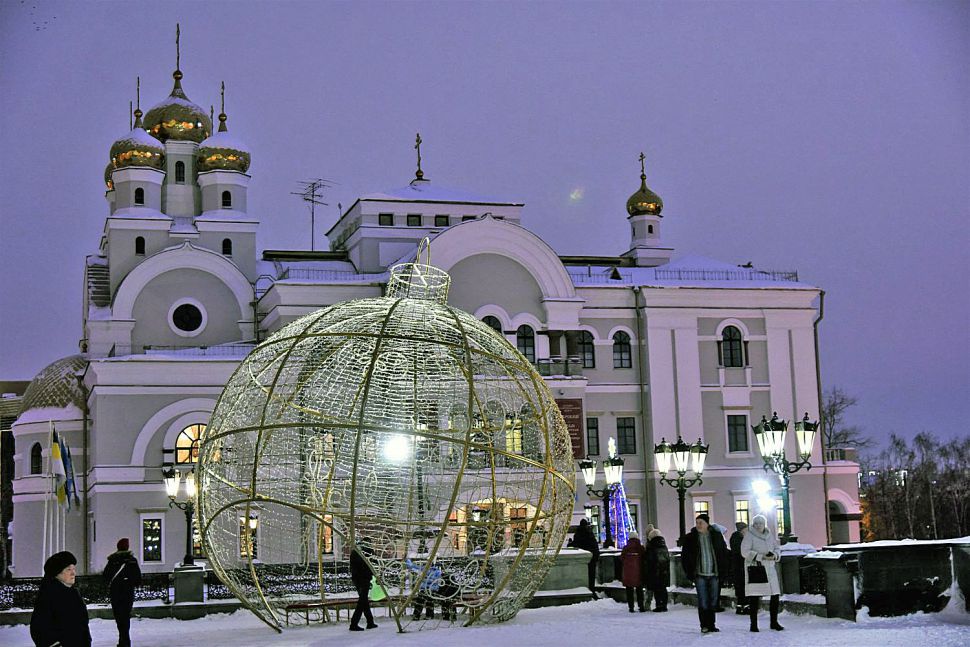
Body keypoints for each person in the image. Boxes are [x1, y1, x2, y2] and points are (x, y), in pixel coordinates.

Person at [30, 550, 91, 647]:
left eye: (74, 569)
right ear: (57, 573)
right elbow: (39, 627)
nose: (73, 573)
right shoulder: (49, 595)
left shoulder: (73, 593)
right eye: (68, 570)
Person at [680, 514, 729, 634]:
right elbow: (685, 557)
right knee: (703, 601)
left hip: (714, 573)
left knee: (713, 601)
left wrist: (724, 570)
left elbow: (723, 554)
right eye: (697, 522)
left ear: (707, 524)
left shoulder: (716, 536)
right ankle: (704, 625)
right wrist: (689, 572)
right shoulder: (691, 538)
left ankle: (712, 624)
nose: (698, 525)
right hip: (699, 574)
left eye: (701, 522)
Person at [741, 514, 784, 632]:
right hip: (756, 569)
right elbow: (744, 551)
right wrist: (761, 556)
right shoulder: (749, 536)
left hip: (770, 568)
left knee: (775, 595)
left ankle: (774, 622)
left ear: (765, 524)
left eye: (761, 523)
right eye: (756, 523)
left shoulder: (769, 535)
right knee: (754, 597)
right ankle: (753, 624)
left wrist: (774, 555)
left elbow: (776, 548)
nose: (759, 525)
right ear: (753, 524)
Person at [103, 538, 142, 647]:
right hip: (128, 592)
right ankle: (125, 640)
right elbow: (137, 578)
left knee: (119, 616)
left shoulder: (112, 560)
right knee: (125, 615)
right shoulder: (132, 561)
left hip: (115, 592)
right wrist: (129, 582)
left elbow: (106, 576)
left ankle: (123, 639)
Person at [349, 546, 378, 631]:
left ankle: (370, 621)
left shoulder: (355, 550)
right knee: (362, 601)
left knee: (364, 600)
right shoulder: (368, 550)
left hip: (356, 578)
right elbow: (373, 563)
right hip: (364, 578)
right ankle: (354, 623)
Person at [570, 518, 600, 599]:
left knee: (582, 576)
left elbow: (576, 544)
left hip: (581, 559)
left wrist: (570, 544)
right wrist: (596, 556)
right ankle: (592, 590)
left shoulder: (578, 534)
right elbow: (595, 545)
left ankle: (584, 590)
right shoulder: (589, 533)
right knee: (591, 576)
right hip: (591, 558)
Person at [643, 527, 670, 612]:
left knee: (657, 589)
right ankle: (664, 605)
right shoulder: (663, 545)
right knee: (663, 588)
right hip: (664, 570)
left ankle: (659, 605)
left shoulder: (652, 546)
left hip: (655, 571)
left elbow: (649, 560)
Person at [620, 531, 646, 612]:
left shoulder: (625, 548)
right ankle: (641, 606)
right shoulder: (640, 548)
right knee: (639, 590)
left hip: (628, 573)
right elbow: (644, 558)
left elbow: (622, 558)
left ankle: (631, 607)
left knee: (629, 590)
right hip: (639, 572)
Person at [730, 521, 749, 614]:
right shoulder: (740, 539)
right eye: (746, 529)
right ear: (742, 530)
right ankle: (745, 607)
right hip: (741, 566)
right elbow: (742, 552)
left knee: (739, 588)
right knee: (743, 587)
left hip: (736, 567)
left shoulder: (734, 538)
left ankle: (739, 607)